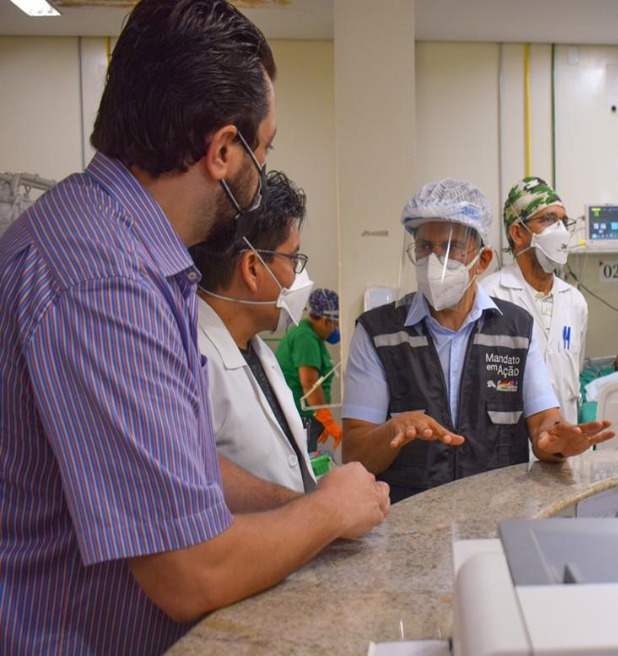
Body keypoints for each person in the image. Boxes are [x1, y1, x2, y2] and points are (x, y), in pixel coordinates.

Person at [0, 3, 389, 653]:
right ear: (224, 151)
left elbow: (178, 468)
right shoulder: (107, 281)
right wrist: (326, 513)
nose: (261, 175)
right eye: (263, 149)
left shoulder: (133, 252)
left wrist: (299, 501)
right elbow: (189, 572)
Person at [342, 179, 615, 503]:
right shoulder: (379, 334)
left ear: (482, 261)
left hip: (495, 515)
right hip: (410, 518)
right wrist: (393, 430)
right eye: (425, 247)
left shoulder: (515, 329)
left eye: (451, 248)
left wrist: (556, 443)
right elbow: (355, 453)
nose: (435, 260)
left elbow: (544, 423)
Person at [190, 170, 318, 494]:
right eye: (293, 259)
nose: (300, 277)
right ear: (251, 268)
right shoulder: (193, 361)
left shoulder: (258, 350)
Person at [482, 176, 589, 422]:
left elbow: (573, 374)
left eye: (564, 222)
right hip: (511, 439)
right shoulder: (488, 297)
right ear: (518, 233)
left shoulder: (575, 302)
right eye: (548, 219)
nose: (560, 231)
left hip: (564, 437)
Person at [277, 287, 342, 453]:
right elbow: (310, 383)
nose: (336, 330)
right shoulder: (305, 338)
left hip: (307, 417)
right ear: (326, 320)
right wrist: (326, 419)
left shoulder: (312, 336)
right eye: (335, 325)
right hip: (301, 417)